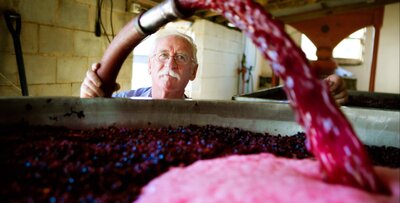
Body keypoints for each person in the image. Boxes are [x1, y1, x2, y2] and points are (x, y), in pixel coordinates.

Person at [80, 31, 348, 104]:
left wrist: (328, 90)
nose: (170, 63)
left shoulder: (200, 115)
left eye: (181, 58)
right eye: (162, 56)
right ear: (150, 66)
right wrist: (88, 97)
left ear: (193, 72)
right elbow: (88, 118)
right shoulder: (121, 102)